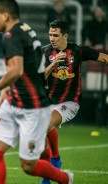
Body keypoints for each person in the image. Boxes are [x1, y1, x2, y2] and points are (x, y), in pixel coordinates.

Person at [0, 1, 73, 184]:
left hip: (34, 108)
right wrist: (6, 89)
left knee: (29, 166)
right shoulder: (25, 28)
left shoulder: (12, 35)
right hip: (14, 102)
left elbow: (16, 71)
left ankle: (65, 179)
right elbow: (25, 66)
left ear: (5, 16)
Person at [40, 19, 108, 184]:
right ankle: (55, 160)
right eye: (50, 35)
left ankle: (51, 167)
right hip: (48, 103)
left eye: (55, 35)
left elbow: (103, 57)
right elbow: (38, 78)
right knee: (38, 132)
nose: (52, 38)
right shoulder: (44, 53)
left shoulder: (77, 50)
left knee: (43, 125)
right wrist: (53, 63)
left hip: (70, 102)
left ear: (65, 35)